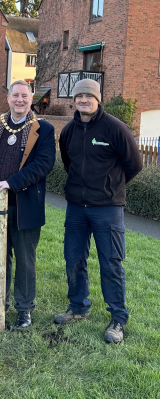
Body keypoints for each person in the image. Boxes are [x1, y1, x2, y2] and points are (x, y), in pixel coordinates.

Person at [54, 79, 142, 343]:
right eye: (79, 96)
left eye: (89, 96)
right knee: (73, 260)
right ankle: (78, 307)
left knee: (111, 263)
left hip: (107, 210)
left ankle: (118, 318)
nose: (84, 100)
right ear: (74, 100)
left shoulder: (115, 128)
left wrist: (110, 188)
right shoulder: (69, 131)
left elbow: (134, 164)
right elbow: (67, 162)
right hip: (76, 210)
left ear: (98, 99)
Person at [0, 80, 56, 329]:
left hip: (25, 206)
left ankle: (24, 310)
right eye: (15, 95)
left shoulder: (44, 129)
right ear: (8, 98)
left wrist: (11, 182)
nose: (20, 100)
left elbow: (44, 164)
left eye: (25, 96)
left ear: (32, 99)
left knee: (25, 260)